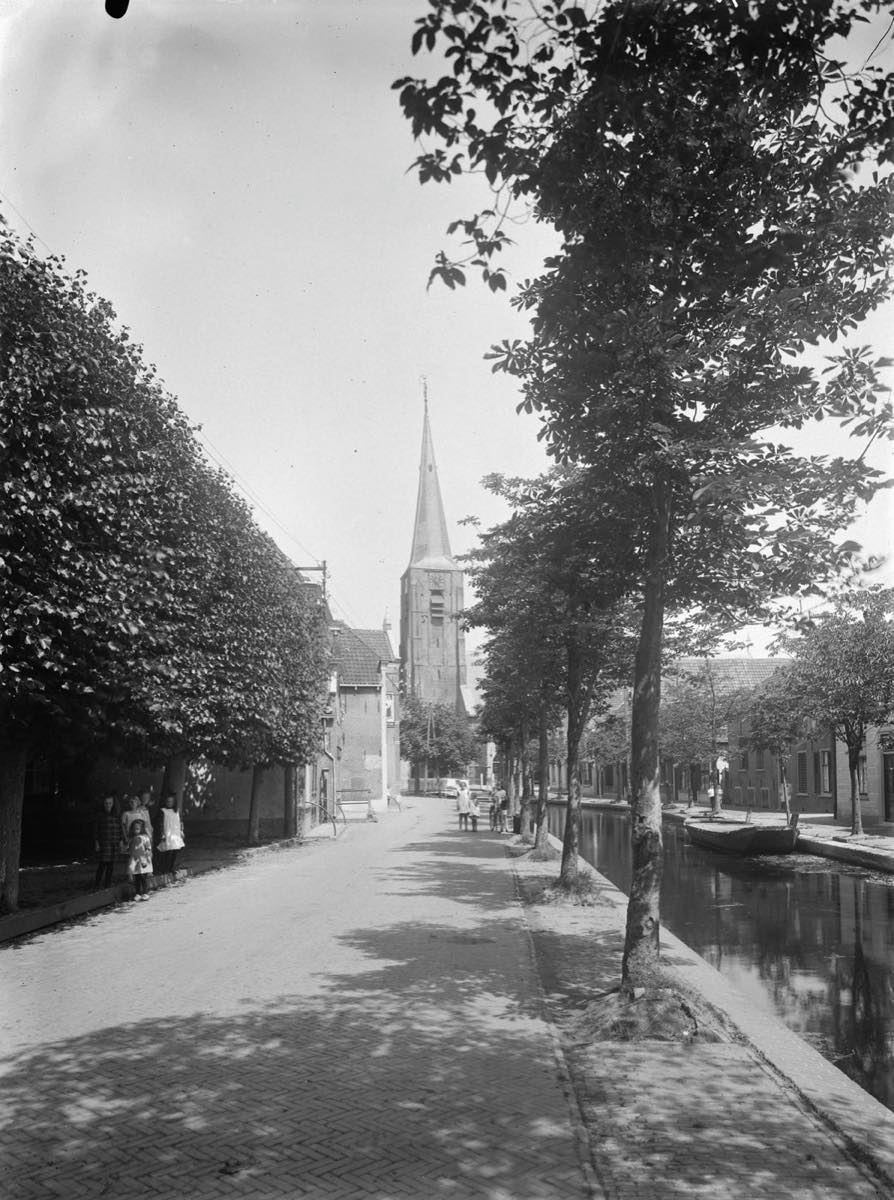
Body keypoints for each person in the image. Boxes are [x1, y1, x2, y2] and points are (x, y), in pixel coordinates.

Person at [156, 792, 185, 884]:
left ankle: (171, 868)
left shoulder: (176, 811)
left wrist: (181, 831)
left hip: (175, 834)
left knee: (174, 852)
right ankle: (165, 870)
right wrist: (162, 834)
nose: (169, 803)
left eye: (171, 801)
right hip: (167, 834)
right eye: (168, 801)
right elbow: (161, 824)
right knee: (167, 853)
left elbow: (180, 822)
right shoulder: (163, 811)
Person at [93, 795, 120, 890]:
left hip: (114, 844)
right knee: (102, 865)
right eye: (106, 803)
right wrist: (96, 843)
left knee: (111, 866)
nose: (108, 805)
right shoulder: (100, 816)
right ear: (103, 804)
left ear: (113, 804)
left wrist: (120, 841)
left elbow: (119, 829)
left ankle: (107, 885)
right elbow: (96, 830)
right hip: (104, 844)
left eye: (110, 803)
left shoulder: (116, 815)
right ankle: (97, 884)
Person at [126, 818, 153, 901]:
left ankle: (145, 892)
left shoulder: (145, 837)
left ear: (141, 829)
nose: (136, 831)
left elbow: (148, 846)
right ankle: (137, 893)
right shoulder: (131, 838)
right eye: (134, 829)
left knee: (143, 877)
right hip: (134, 860)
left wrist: (148, 851)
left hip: (143, 860)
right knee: (137, 877)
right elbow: (129, 848)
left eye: (137, 829)